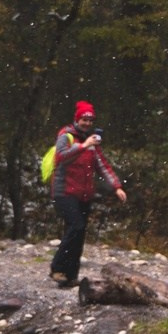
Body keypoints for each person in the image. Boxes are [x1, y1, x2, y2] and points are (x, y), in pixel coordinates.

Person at [47, 100, 126, 288]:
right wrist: (83, 146)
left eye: (90, 121)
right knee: (76, 226)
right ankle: (57, 268)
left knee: (79, 232)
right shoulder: (66, 136)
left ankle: (69, 276)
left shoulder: (92, 142)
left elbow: (102, 165)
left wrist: (116, 186)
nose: (87, 124)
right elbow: (61, 157)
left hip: (84, 194)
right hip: (64, 191)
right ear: (77, 119)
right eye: (84, 120)